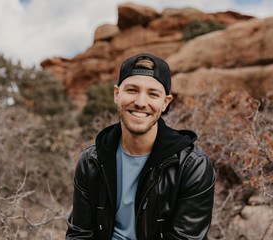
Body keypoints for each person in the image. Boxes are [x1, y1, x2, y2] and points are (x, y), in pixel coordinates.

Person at [66, 53, 216, 240]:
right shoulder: (91, 161)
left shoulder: (192, 166)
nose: (140, 102)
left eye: (153, 94)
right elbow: (80, 234)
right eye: (132, 90)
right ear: (116, 94)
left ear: (165, 103)